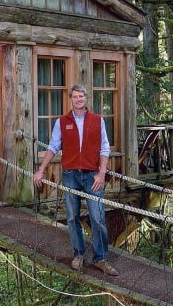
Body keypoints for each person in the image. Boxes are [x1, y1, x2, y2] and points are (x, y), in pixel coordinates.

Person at [33, 84, 118, 276]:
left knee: (98, 218)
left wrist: (102, 173)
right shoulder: (62, 122)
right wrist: (41, 170)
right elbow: (53, 147)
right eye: (75, 96)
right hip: (71, 175)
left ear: (86, 99)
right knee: (72, 218)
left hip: (92, 176)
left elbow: (105, 148)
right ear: (70, 99)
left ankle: (101, 259)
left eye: (82, 96)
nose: (79, 99)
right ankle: (78, 255)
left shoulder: (98, 121)